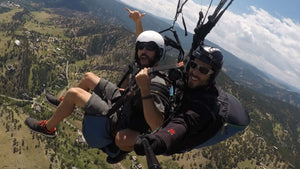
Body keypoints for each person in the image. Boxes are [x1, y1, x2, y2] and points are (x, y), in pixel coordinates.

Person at [25, 28, 170, 164]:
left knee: (74, 93)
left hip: (122, 120)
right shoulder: (145, 66)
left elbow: (157, 126)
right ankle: (64, 104)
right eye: (141, 46)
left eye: (150, 47)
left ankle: (48, 128)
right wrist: (138, 22)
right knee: (88, 77)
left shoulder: (157, 84)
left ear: (158, 53)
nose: (143, 51)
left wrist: (144, 89)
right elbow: (143, 44)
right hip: (123, 100)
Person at [133, 45, 250, 155]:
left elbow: (180, 126)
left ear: (212, 75)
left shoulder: (202, 108)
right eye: (193, 65)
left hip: (174, 139)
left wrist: (159, 140)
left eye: (203, 70)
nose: (195, 72)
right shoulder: (191, 79)